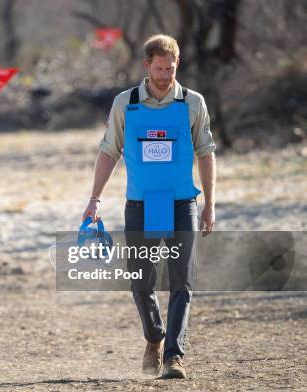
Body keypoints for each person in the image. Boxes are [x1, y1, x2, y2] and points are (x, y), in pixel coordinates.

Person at [82, 34, 216, 379]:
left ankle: (174, 356)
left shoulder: (193, 102)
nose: (165, 75)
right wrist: (94, 199)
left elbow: (206, 152)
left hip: (182, 202)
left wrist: (210, 203)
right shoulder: (125, 103)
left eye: (170, 69)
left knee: (182, 282)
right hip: (141, 204)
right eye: (159, 69)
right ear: (146, 66)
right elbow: (109, 151)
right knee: (141, 282)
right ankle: (155, 337)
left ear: (177, 64)